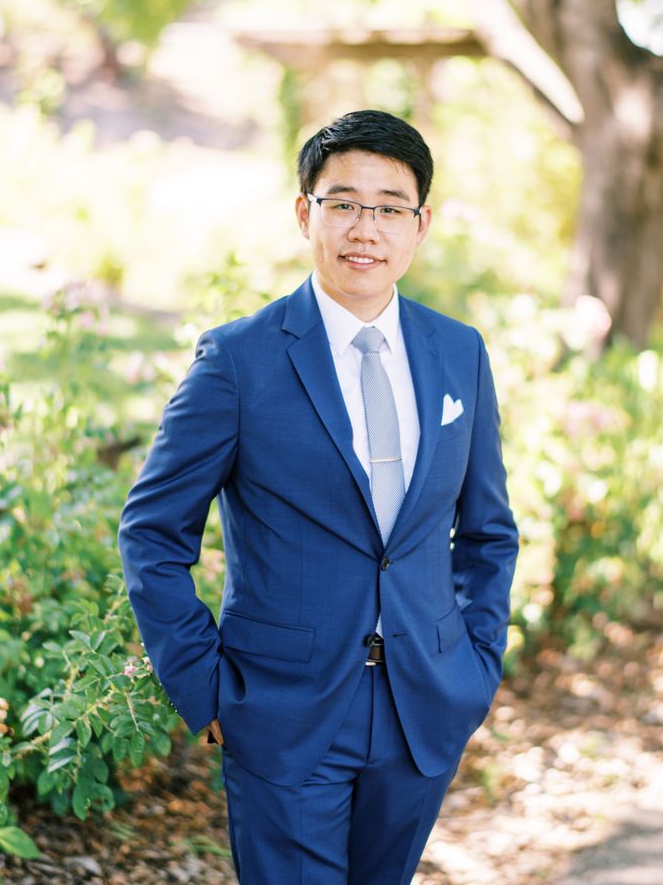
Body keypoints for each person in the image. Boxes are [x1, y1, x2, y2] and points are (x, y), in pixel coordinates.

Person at [118, 109, 518, 884]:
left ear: (420, 225)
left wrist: (476, 665)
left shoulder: (459, 352)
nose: (366, 228)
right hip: (280, 710)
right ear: (306, 214)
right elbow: (152, 532)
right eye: (344, 203)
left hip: (425, 704)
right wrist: (206, 690)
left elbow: (487, 531)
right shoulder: (238, 360)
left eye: (390, 208)